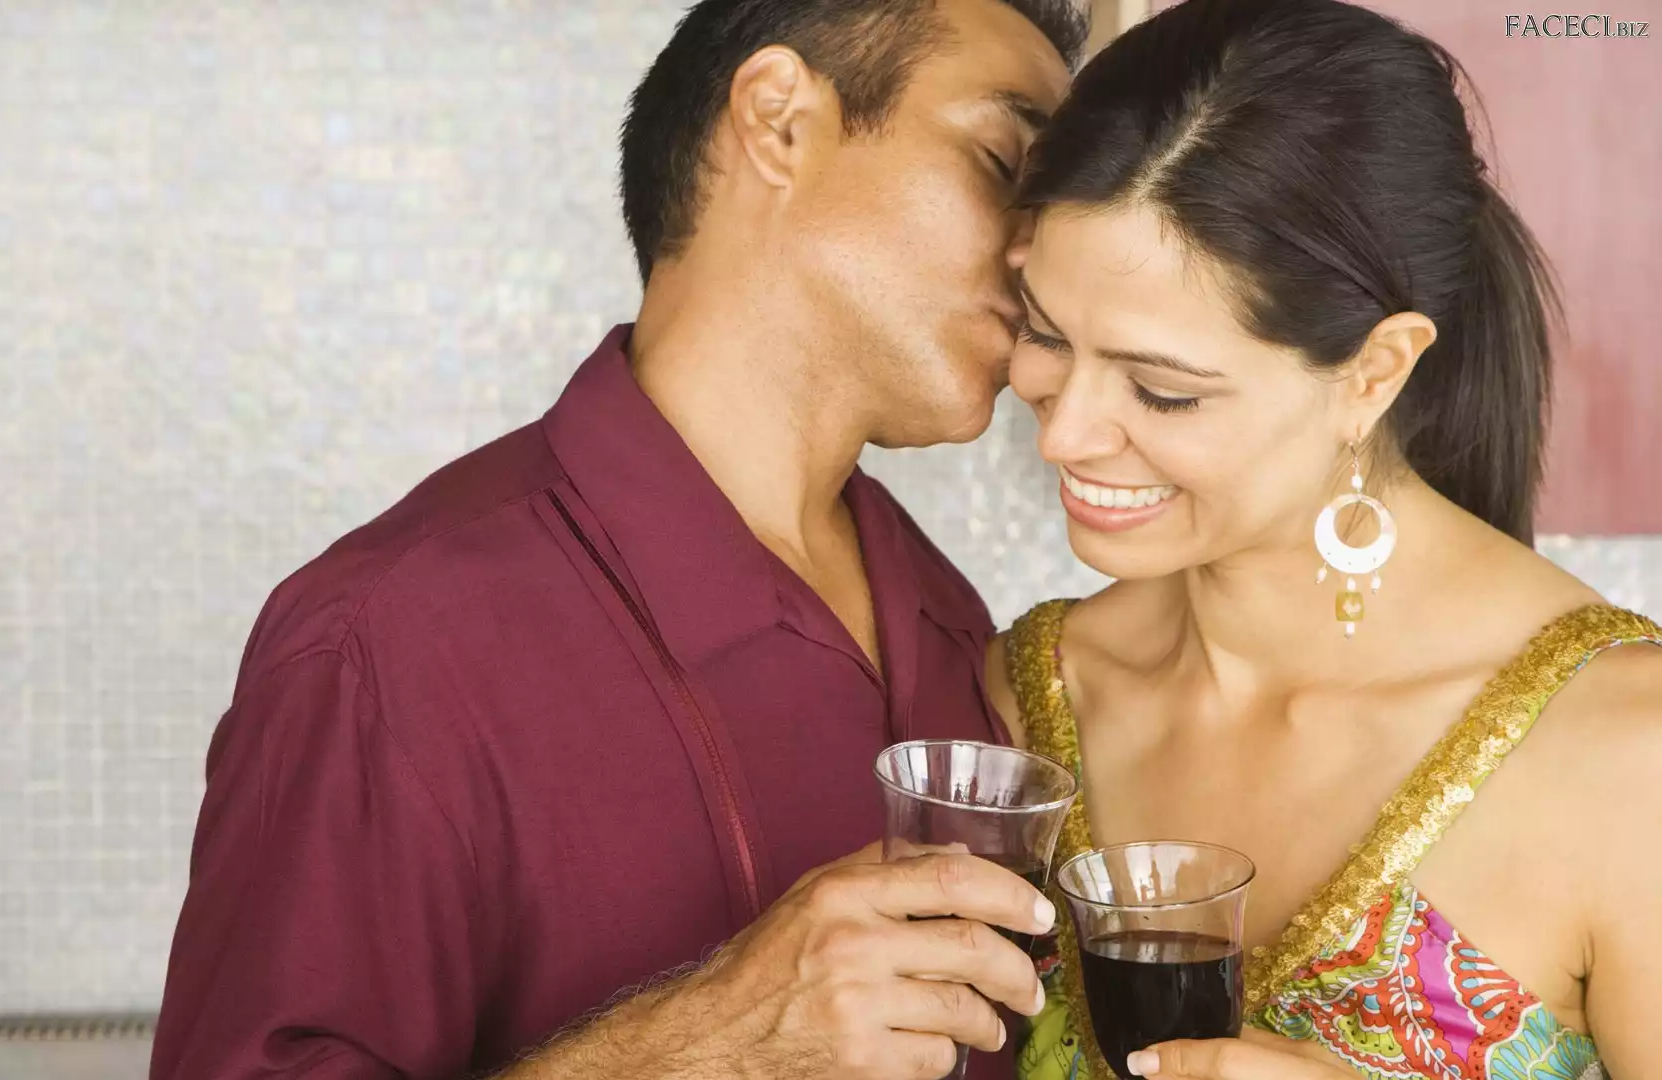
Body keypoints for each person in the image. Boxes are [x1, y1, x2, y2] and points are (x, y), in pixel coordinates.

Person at [149, 2, 1089, 1079]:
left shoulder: (951, 621)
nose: (1041, 252)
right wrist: (709, 1046)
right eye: (1002, 162)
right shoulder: (385, 643)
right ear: (779, 119)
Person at [986, 1, 1662, 1078]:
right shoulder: (1039, 693)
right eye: (1045, 333)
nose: (1062, 434)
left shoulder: (1629, 751)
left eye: (1163, 390)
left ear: (1375, 372)